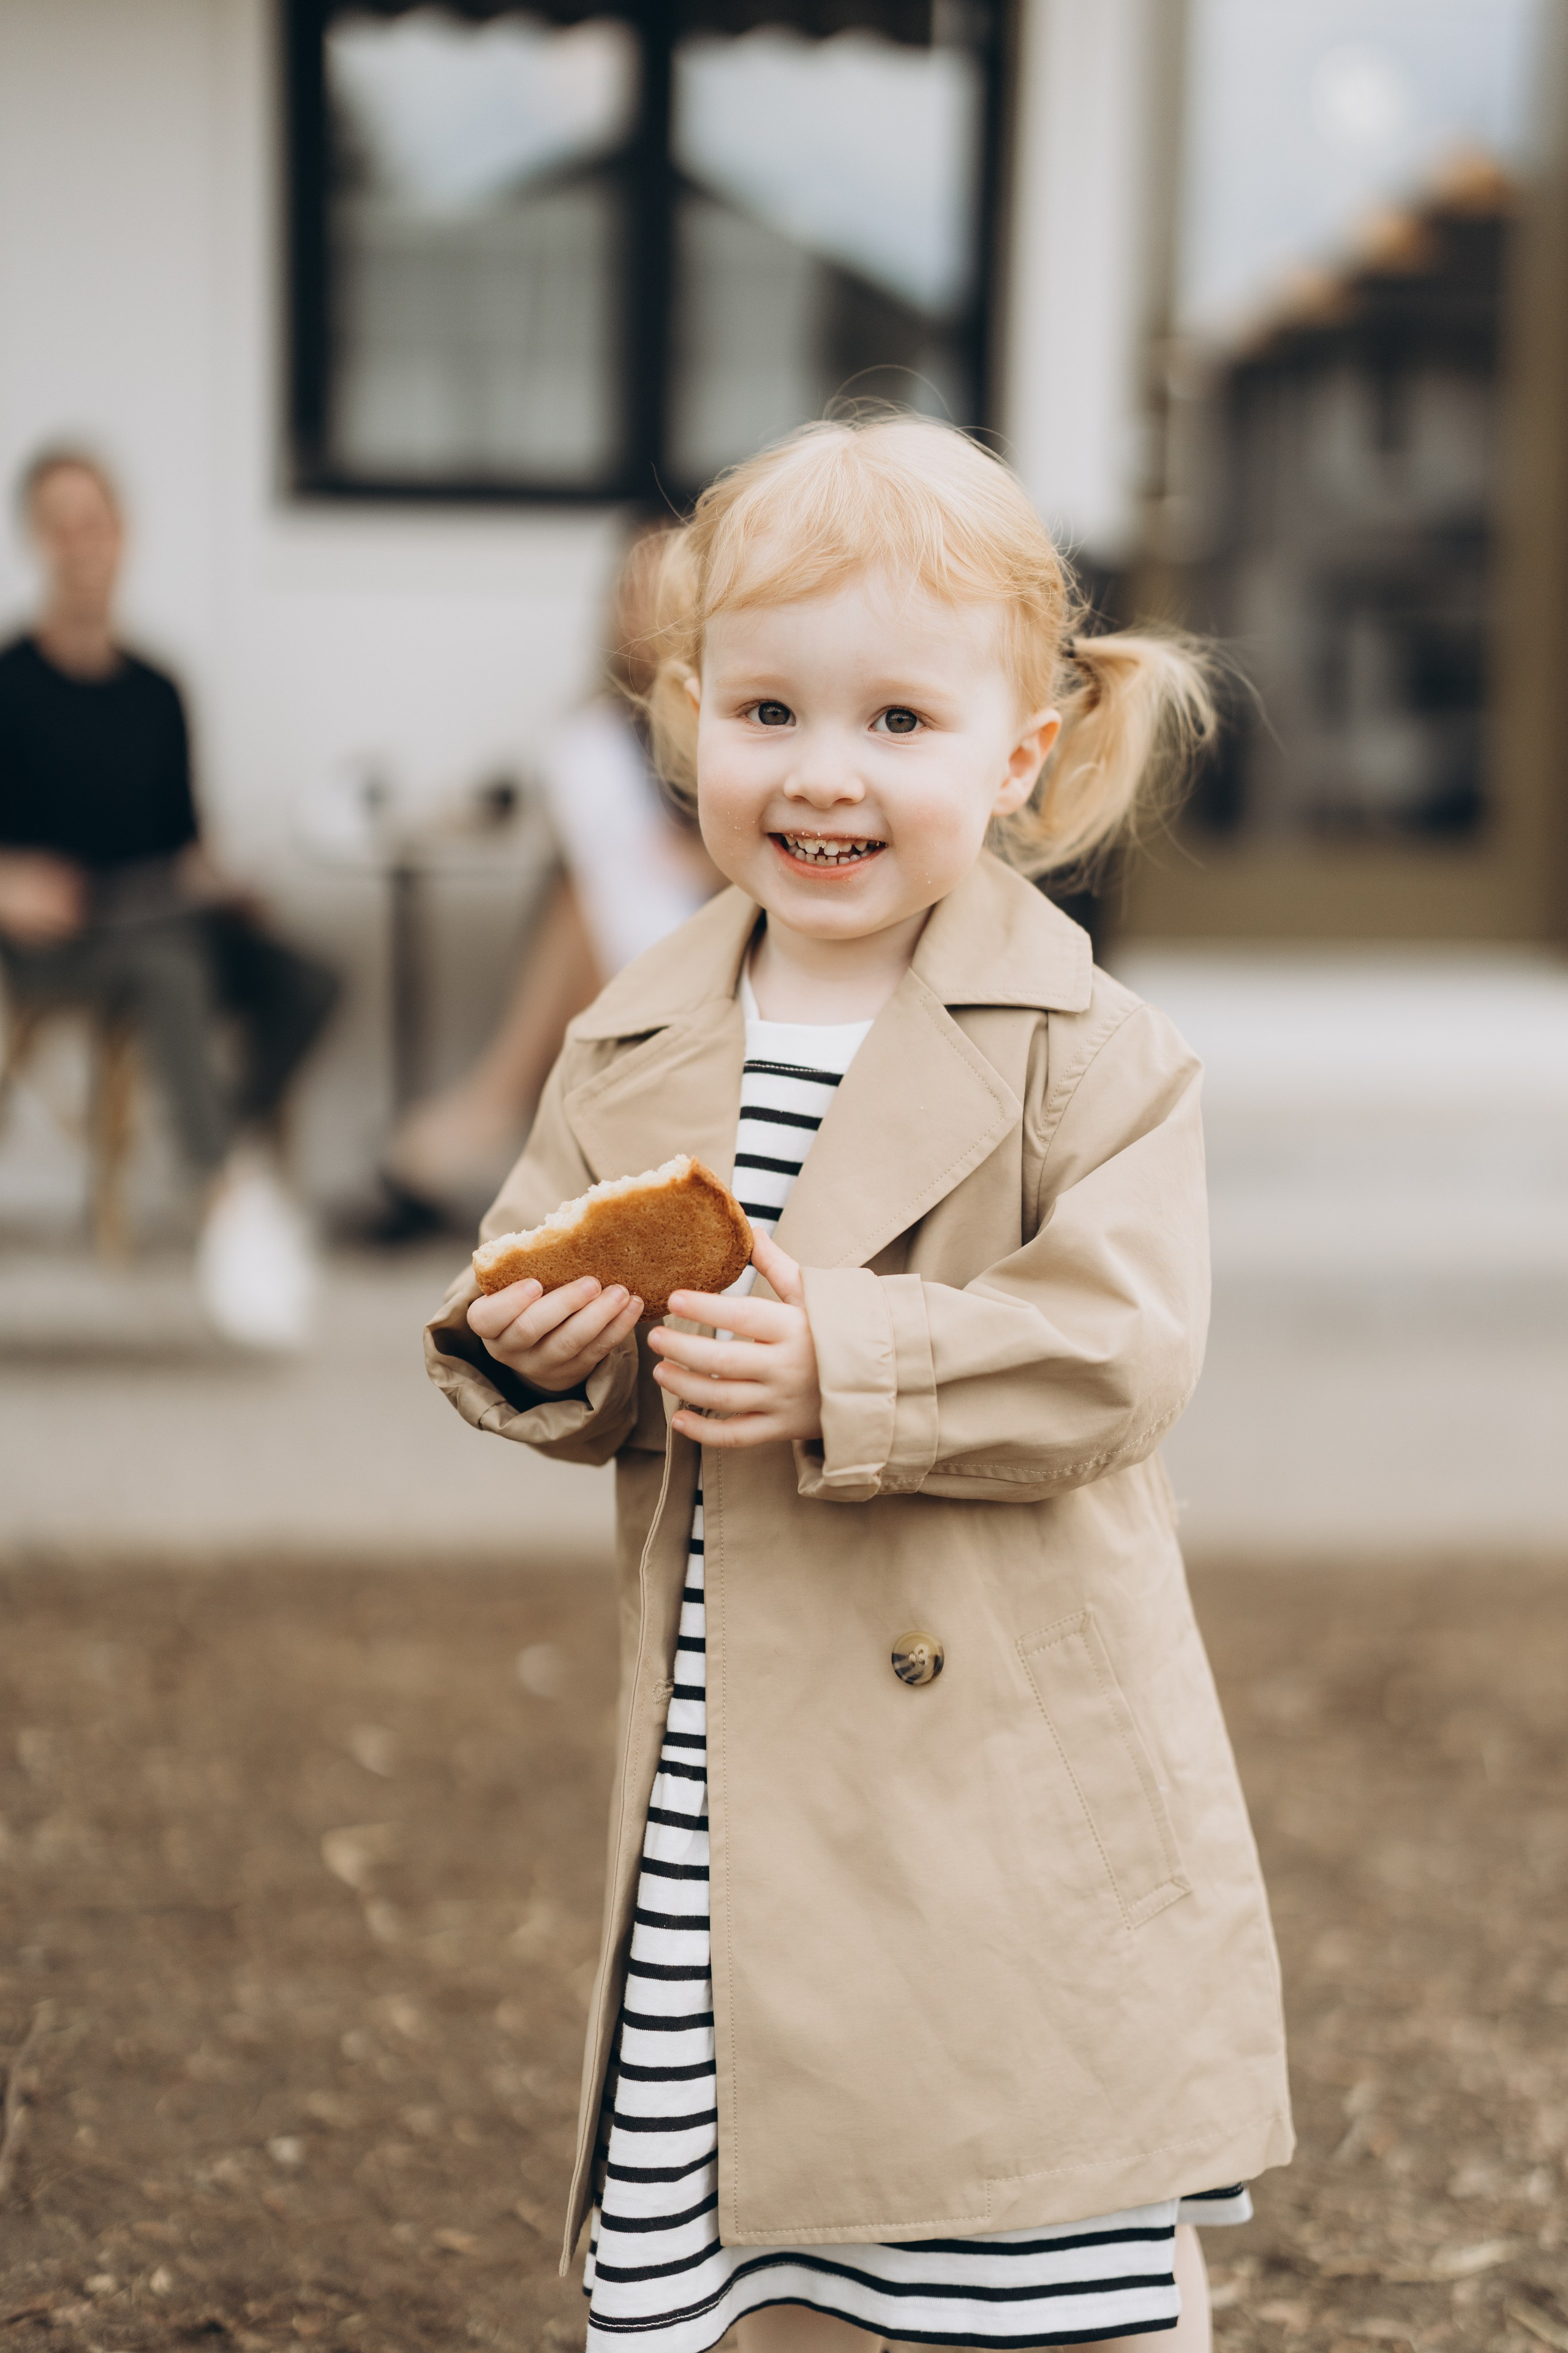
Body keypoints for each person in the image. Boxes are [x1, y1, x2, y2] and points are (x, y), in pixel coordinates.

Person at [425, 415, 1293, 2352]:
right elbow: (523, 1270)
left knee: (1003, 2198)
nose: (823, 771)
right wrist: (541, 1350)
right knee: (737, 2189)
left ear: (1019, 751)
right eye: (767, 709)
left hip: (990, 1764)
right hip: (738, 1761)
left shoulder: (1090, 1045)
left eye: (898, 720)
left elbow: (1121, 1343)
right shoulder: (634, 1030)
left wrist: (851, 1353)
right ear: (688, 720)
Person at [0, 448, 339, 1345]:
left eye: (96, 524)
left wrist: (222, 882)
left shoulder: (159, 690)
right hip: (52, 939)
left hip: (160, 911)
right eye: (62, 525)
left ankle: (223, 1138)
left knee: (310, 978)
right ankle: (225, 1206)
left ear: (121, 538)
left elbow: (180, 845)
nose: (82, 545)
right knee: (170, 966)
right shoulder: (8, 682)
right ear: (37, 541)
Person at [382, 525, 718, 1222]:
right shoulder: (601, 733)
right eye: (631, 592)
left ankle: (497, 1108)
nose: (642, 610)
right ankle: (513, 1117)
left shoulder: (725, 715)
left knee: (576, 905)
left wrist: (697, 858)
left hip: (713, 924)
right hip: (631, 930)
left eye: (660, 593)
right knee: (575, 893)